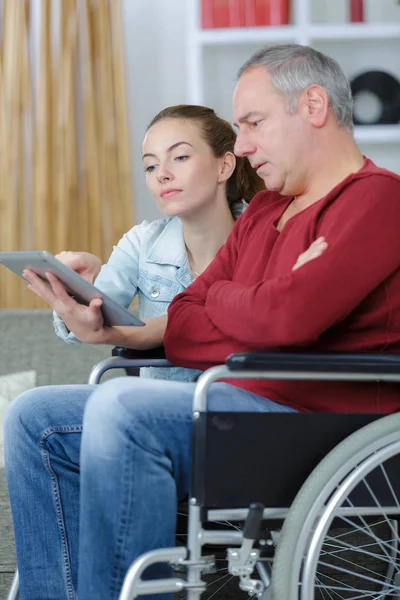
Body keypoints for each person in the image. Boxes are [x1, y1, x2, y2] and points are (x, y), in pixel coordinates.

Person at [5, 43, 400, 600]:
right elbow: (186, 319)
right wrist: (260, 300)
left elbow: (286, 321)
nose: (242, 145)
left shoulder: (378, 200)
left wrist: (242, 300)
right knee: (33, 418)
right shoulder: (264, 211)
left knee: (125, 406)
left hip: (313, 427)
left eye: (254, 123)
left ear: (314, 105)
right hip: (239, 414)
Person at [39, 103, 264, 381]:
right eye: (151, 165)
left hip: (233, 401)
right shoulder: (141, 242)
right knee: (32, 409)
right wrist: (78, 291)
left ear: (224, 166)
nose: (162, 174)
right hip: (155, 401)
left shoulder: (267, 235)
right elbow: (92, 321)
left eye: (180, 157)